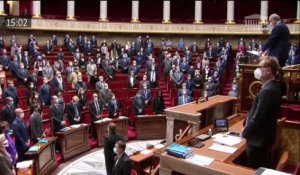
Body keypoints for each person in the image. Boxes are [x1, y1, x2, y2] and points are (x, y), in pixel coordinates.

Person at [242, 56, 281, 169]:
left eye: (260, 67)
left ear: (268, 70)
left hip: (258, 141)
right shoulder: (274, 86)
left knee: (254, 168)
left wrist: (245, 133)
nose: (257, 70)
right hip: (264, 137)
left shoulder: (268, 91)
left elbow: (258, 118)